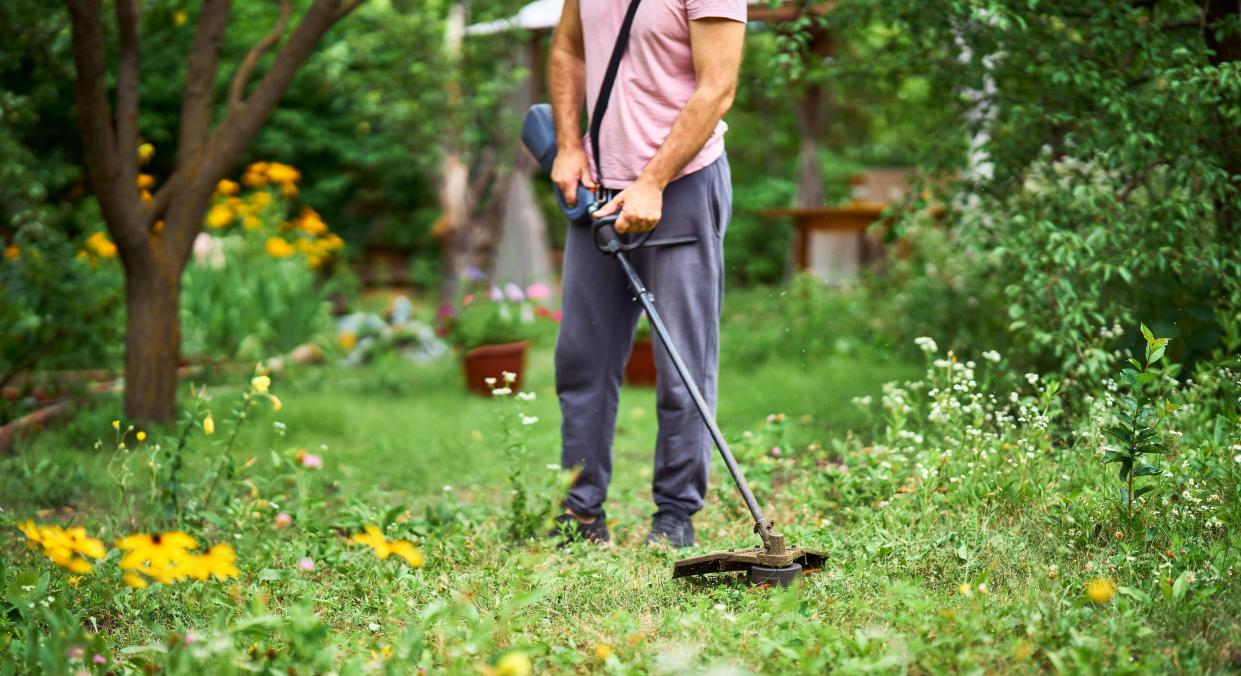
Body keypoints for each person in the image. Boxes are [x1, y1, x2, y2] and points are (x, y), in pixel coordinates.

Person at [547, 0, 746, 547]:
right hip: (599, 194)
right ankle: (581, 513)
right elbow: (567, 47)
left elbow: (718, 88)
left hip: (682, 184)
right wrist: (568, 144)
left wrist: (653, 181)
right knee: (581, 361)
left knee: (682, 365)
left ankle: (675, 515)